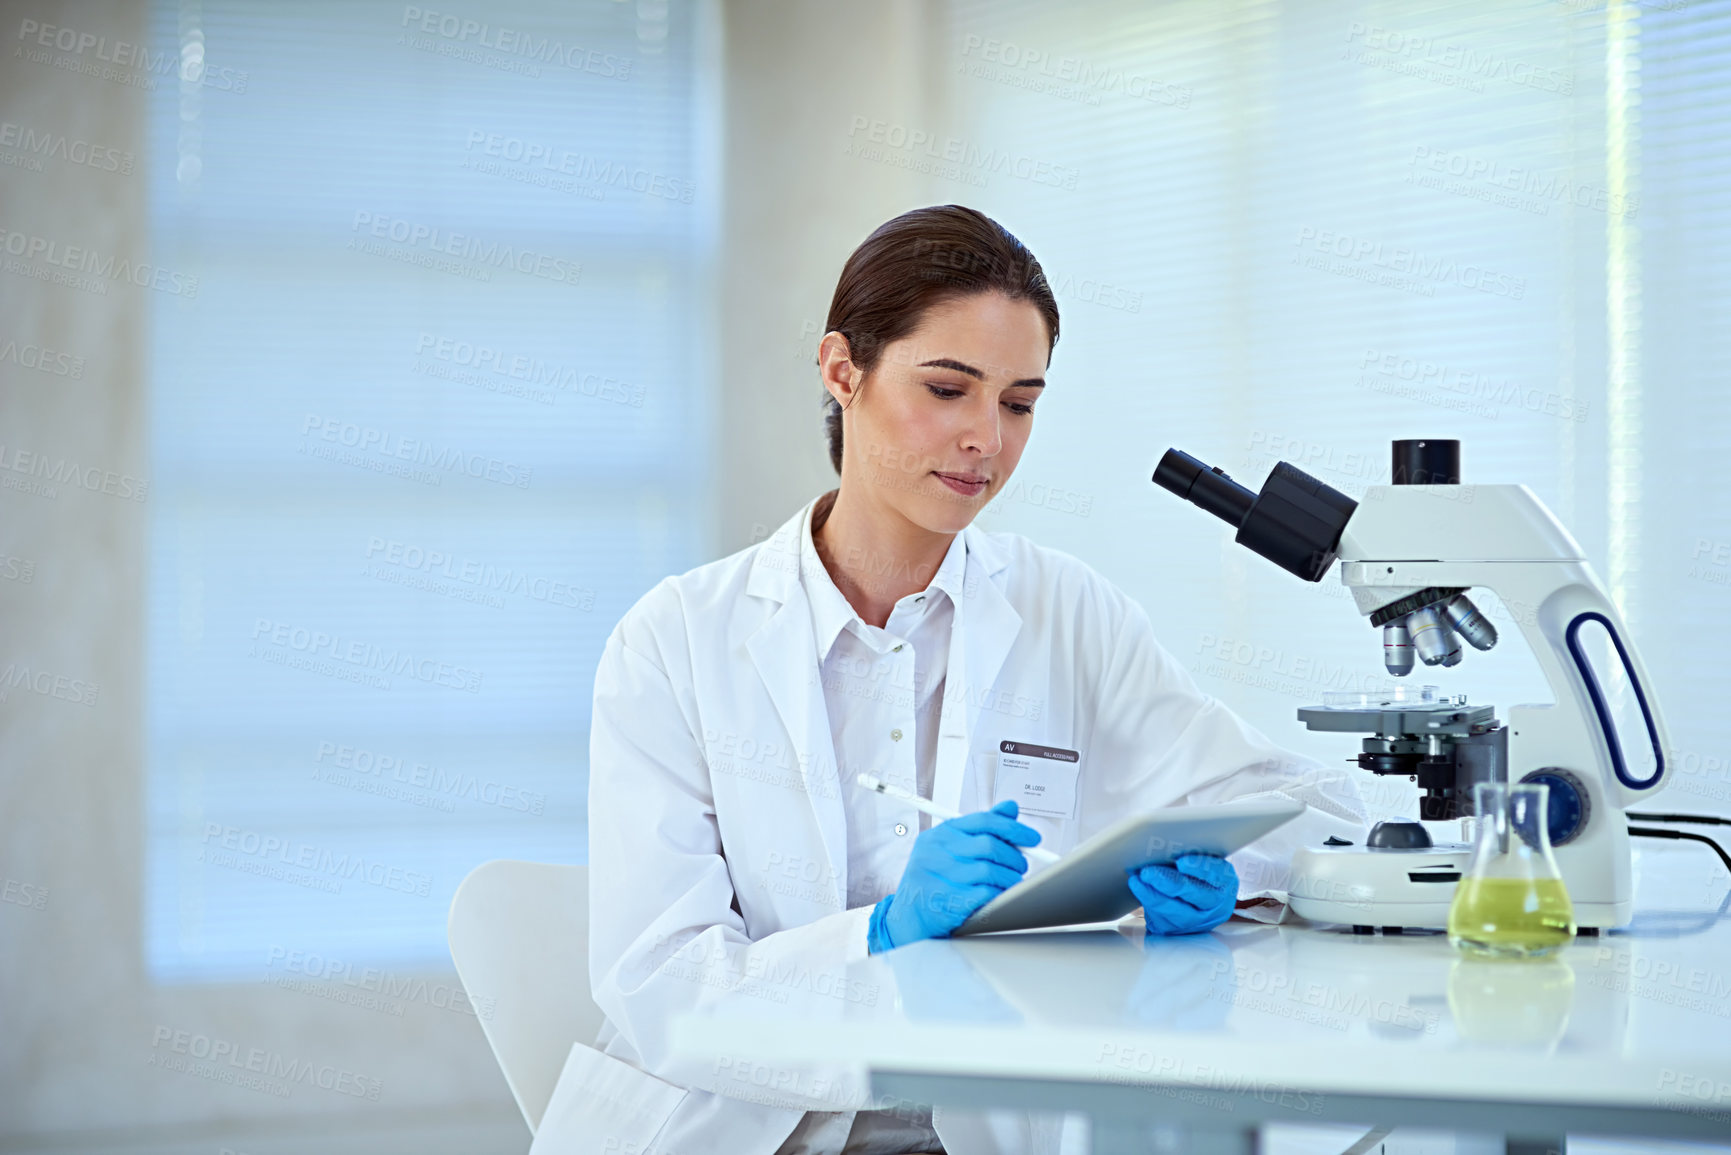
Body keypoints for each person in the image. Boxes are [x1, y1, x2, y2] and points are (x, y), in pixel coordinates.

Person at [575, 205, 1366, 1155]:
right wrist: (880, 934)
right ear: (841, 371)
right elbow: (661, 983)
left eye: (1018, 402)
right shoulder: (677, 639)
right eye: (947, 389)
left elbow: (1317, 811)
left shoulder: (1068, 612)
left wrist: (1230, 873)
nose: (985, 439)